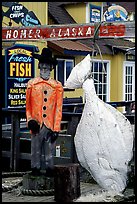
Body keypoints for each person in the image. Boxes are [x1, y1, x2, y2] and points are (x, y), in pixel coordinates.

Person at [26, 48, 64, 176]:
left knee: (49, 149)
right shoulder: (31, 84)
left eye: (47, 67)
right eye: (42, 67)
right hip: (36, 124)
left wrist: (56, 128)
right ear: (39, 67)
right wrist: (30, 120)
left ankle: (50, 170)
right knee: (35, 148)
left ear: (51, 68)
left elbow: (59, 108)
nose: (44, 69)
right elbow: (28, 107)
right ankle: (35, 169)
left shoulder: (57, 86)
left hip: (49, 125)